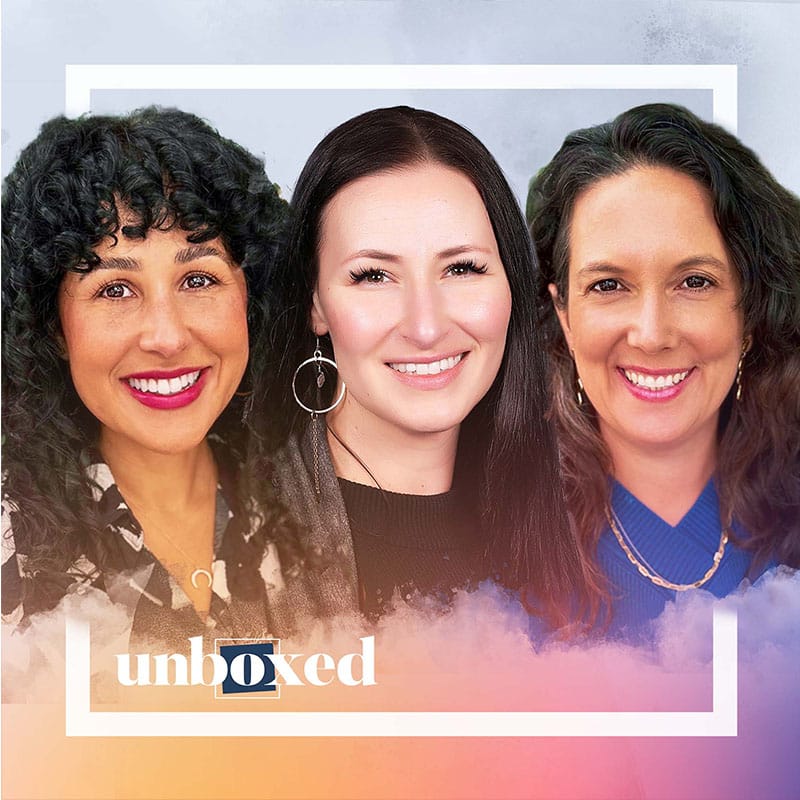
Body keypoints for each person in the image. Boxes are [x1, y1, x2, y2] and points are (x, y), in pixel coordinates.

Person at [251, 105, 587, 631]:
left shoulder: (583, 529)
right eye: (373, 276)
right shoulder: (224, 543)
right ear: (315, 303)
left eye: (461, 268)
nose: (425, 327)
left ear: (512, 286)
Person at [1, 107, 294, 649]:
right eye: (115, 289)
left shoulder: (308, 500)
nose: (167, 337)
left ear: (251, 300)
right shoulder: (10, 544)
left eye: (199, 278)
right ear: (52, 325)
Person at [528, 103, 800, 637]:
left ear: (750, 307)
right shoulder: (488, 543)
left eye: (694, 282)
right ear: (563, 313)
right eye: (608, 285)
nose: (652, 334)